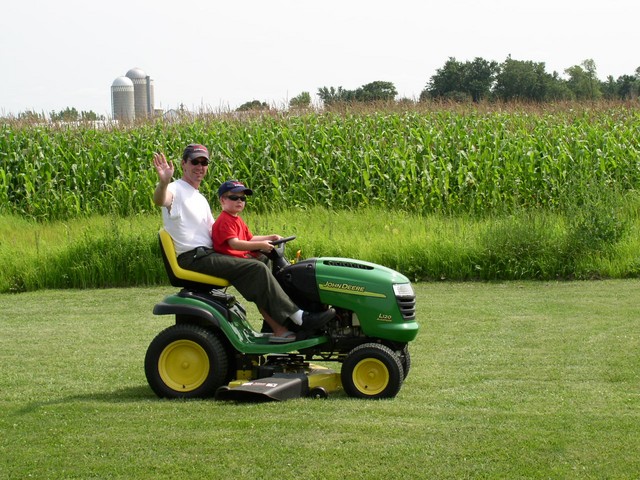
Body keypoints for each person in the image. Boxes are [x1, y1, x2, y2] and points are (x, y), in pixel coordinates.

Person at [152, 143, 334, 343]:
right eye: (195, 161)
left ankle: (277, 326)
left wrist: (265, 240)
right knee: (255, 269)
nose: (200, 166)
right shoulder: (174, 189)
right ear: (183, 164)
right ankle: (300, 318)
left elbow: (217, 234)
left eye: (204, 162)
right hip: (194, 258)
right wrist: (163, 181)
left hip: (209, 254)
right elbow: (161, 200)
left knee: (265, 260)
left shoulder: (199, 197)